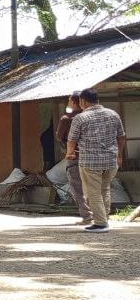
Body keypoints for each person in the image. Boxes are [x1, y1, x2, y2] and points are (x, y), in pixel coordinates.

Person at [66, 87, 126, 232]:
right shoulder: (113, 114)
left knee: (93, 193)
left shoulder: (80, 118)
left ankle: (100, 223)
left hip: (90, 161)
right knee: (104, 190)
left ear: (83, 101)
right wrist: (119, 155)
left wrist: (70, 153)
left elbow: (72, 140)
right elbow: (121, 136)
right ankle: (104, 218)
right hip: (111, 161)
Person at [56, 92, 91, 224]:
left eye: (70, 101)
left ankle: (87, 216)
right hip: (92, 157)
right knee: (94, 187)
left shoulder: (67, 119)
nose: (68, 103)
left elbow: (59, 137)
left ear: (75, 103)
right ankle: (101, 214)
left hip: (75, 156)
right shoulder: (90, 118)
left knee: (77, 188)